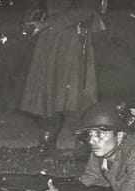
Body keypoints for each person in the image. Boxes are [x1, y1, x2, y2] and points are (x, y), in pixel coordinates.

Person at [28, 100, 135, 191]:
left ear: (120, 136)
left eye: (100, 134)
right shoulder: (103, 150)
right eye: (90, 134)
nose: (92, 141)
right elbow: (89, 182)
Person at [20, 0, 102, 152]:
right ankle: (48, 137)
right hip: (49, 36)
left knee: (77, 93)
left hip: (74, 36)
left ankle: (85, 143)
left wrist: (47, 23)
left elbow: (85, 8)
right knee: (48, 92)